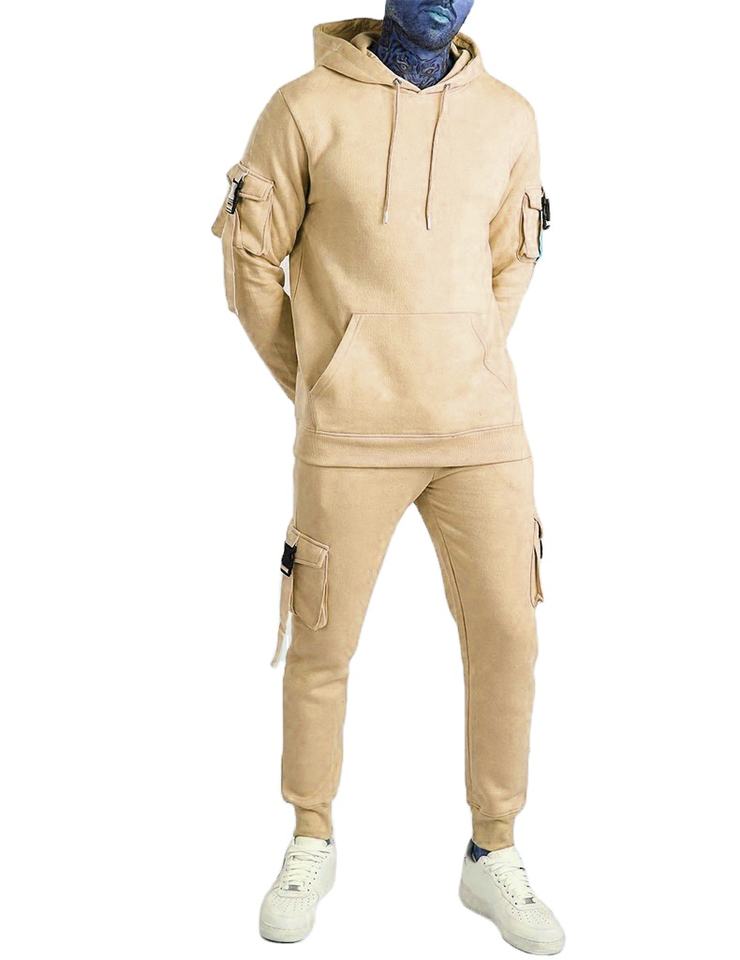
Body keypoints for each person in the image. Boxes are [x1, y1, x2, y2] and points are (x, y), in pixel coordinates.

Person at [212, 3, 563, 953]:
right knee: (322, 646)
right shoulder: (303, 107)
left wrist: (461, 359)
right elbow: (250, 260)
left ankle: (494, 850)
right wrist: (325, 380)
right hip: (350, 434)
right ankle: (310, 834)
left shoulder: (511, 116)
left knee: (510, 637)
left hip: (482, 431)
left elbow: (512, 262)